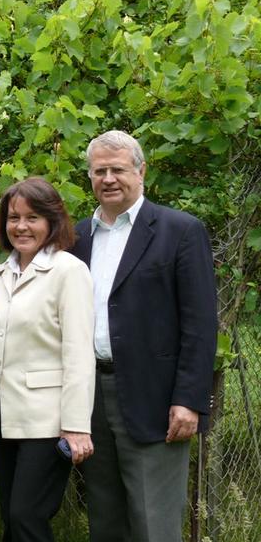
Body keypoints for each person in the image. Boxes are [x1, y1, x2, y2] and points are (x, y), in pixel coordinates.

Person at [71, 131, 217, 542]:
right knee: (104, 520)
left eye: (118, 169)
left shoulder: (180, 230)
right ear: (90, 176)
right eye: (99, 171)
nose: (108, 178)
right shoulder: (78, 236)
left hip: (155, 399)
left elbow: (200, 323)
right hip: (91, 398)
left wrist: (188, 399)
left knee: (154, 525)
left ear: (141, 171)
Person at [0, 176, 95, 542]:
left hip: (48, 420)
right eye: (13, 217)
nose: (21, 226)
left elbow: (78, 354)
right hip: (4, 414)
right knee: (12, 518)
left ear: (52, 221)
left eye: (32, 217)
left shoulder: (69, 272)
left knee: (27, 516)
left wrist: (75, 425)